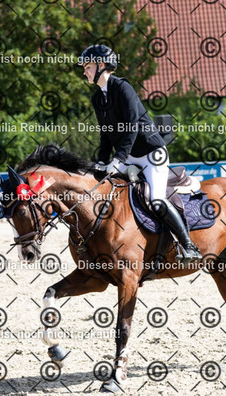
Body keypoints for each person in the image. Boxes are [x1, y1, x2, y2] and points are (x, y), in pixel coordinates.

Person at [78, 45, 201, 265]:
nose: (84, 71)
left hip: (151, 153)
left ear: (101, 65)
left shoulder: (122, 88)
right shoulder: (97, 98)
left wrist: (118, 159)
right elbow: (105, 134)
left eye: (88, 67)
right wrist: (102, 162)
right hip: (128, 157)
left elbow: (132, 126)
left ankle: (188, 245)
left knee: (156, 200)